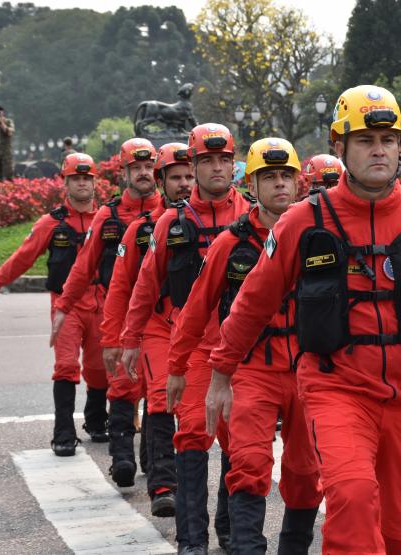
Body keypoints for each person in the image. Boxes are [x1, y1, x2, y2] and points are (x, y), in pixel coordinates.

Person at [203, 85, 401, 555]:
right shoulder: (302, 221)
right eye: (365, 141)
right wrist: (221, 373)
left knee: (396, 532)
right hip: (336, 389)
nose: (379, 151)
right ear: (339, 145)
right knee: (352, 501)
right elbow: (252, 301)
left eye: (388, 140)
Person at [167, 137, 323, 553]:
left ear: (299, 182)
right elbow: (196, 309)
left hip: (309, 370)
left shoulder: (321, 235)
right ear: (251, 185)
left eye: (286, 176)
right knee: (249, 464)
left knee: (306, 473)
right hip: (251, 370)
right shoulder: (230, 243)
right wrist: (177, 368)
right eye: (268, 177)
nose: (279, 184)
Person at [120, 123, 248, 555]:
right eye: (207, 161)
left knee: (240, 442)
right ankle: (192, 539)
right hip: (193, 348)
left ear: (233, 164)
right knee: (192, 436)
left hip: (244, 352)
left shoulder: (253, 216)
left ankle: (231, 530)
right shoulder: (170, 224)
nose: (217, 168)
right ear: (193, 166)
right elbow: (144, 285)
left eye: (224, 160)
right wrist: (130, 337)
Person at [51, 138, 162, 486]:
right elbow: (84, 266)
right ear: (124, 173)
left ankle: (152, 459)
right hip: (120, 314)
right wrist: (63, 306)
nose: (143, 173)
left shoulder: (170, 213)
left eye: (148, 167)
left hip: (161, 317)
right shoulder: (109, 216)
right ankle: (122, 458)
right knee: (123, 386)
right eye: (136, 168)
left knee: (156, 391)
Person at [0, 153, 105, 456]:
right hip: (66, 305)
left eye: (87, 178)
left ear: (95, 183)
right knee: (65, 366)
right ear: (65, 183)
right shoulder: (51, 223)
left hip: (102, 303)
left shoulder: (106, 220)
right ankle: (63, 432)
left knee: (99, 369)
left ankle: (96, 420)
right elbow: (23, 257)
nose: (82, 184)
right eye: (76, 178)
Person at [98, 142, 193, 516]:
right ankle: (163, 485)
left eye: (189, 176)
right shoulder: (141, 230)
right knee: (160, 397)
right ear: (161, 180)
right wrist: (116, 339)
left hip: (202, 330)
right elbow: (122, 287)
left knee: (197, 414)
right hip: (157, 326)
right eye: (176, 177)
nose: (184, 184)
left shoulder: (219, 224)